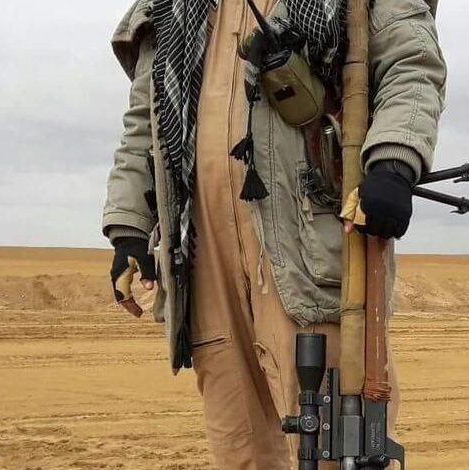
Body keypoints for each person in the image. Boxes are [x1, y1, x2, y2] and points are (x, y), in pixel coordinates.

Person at [102, 0, 446, 468]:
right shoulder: (169, 6)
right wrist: (129, 229)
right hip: (204, 260)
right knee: (239, 448)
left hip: (311, 251)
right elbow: (147, 117)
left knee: (336, 443)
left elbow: (412, 63)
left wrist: (394, 160)